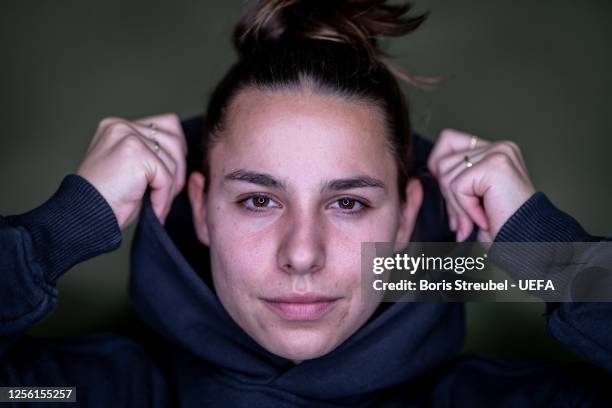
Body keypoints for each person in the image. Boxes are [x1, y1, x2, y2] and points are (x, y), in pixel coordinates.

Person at [1, 0, 611, 406]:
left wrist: (552, 255)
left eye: (347, 203)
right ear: (202, 206)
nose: (301, 254)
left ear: (404, 222)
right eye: (259, 199)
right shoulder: (75, 393)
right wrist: (60, 228)